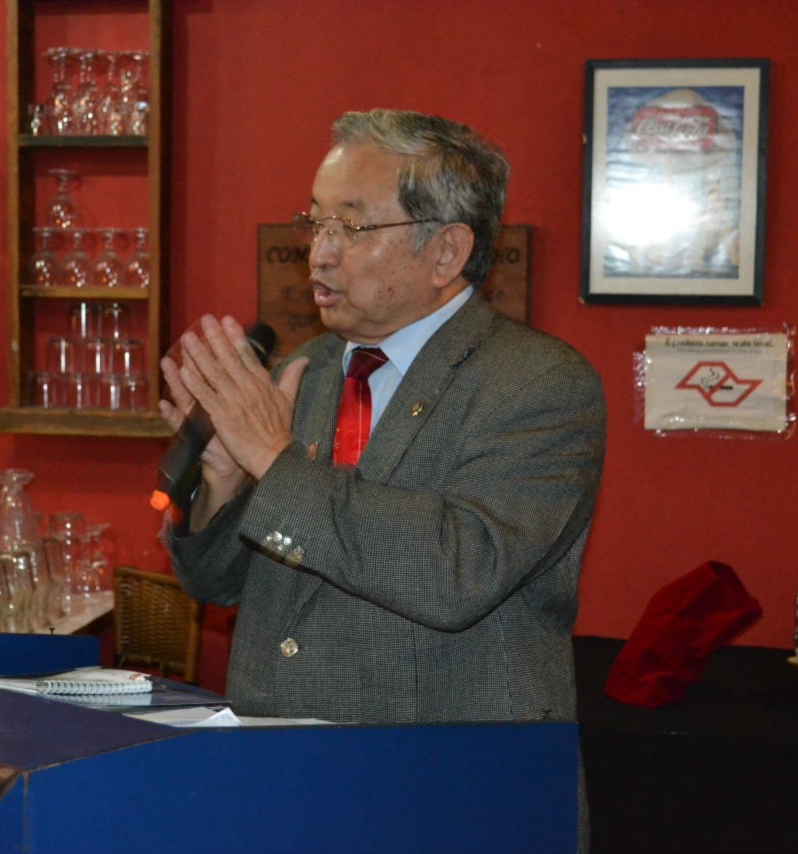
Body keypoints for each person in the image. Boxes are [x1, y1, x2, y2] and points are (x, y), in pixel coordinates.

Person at [160, 108, 605, 844]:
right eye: (315, 222)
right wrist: (224, 484)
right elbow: (219, 583)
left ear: (446, 251)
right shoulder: (307, 371)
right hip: (286, 785)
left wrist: (273, 460)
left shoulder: (538, 383)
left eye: (352, 226)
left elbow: (457, 570)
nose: (320, 253)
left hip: (445, 798)